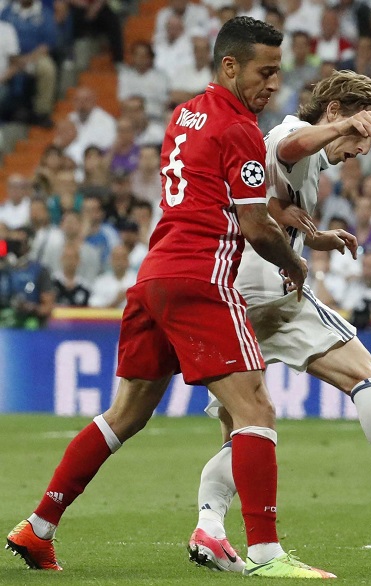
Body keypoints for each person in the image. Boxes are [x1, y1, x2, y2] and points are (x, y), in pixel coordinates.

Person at [6, 17, 333, 579]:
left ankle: (37, 528)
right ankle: (266, 555)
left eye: (277, 72)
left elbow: (218, 191)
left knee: (125, 414)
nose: (273, 84)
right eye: (265, 71)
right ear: (230, 65)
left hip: (155, 274)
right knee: (255, 409)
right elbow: (254, 226)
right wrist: (295, 261)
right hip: (200, 277)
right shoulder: (241, 131)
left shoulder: (186, 114)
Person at [189, 69, 371, 573]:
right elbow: (291, 145)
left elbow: (267, 203)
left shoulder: (297, 154)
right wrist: (335, 129)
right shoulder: (291, 133)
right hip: (269, 297)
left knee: (241, 427)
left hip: (242, 296)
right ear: (335, 113)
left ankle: (209, 528)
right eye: (360, 134)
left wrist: (315, 237)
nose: (360, 151)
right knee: (364, 376)